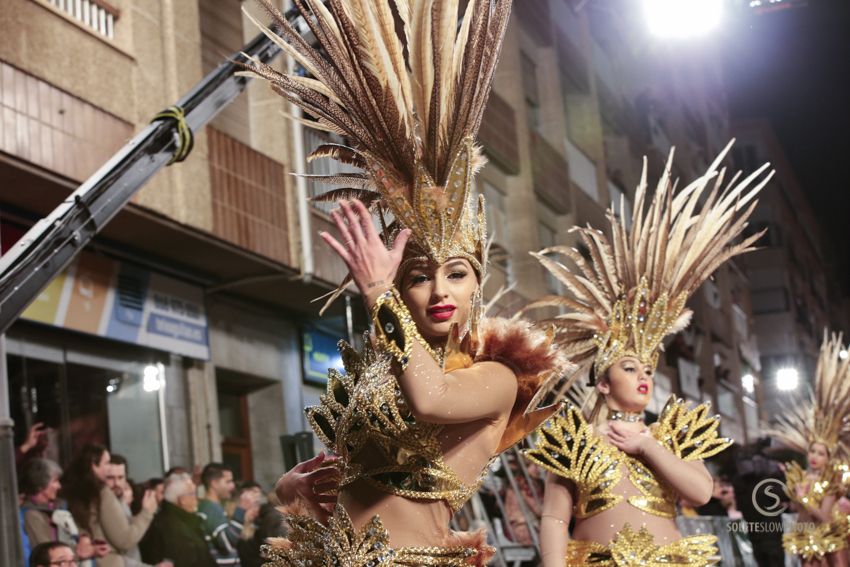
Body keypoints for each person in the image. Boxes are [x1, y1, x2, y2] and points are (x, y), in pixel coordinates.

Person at [243, 1, 569, 563]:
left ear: (475, 286)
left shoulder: (495, 379)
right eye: (420, 277)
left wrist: (379, 294)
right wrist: (288, 490)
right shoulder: (378, 374)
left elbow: (431, 398)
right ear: (406, 285)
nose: (440, 291)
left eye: (457, 275)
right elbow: (341, 478)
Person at [522, 146, 772, 566]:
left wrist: (648, 447)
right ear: (602, 381)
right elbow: (552, 517)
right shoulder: (574, 440)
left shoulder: (670, 433)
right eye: (629, 367)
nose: (644, 376)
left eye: (649, 369)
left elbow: (700, 491)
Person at [765, 332, 850, 567]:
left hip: (827, 541)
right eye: (813, 451)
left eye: (821, 453)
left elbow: (823, 517)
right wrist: (791, 501)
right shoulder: (800, 477)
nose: (814, 457)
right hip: (804, 539)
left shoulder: (832, 480)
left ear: (829, 457)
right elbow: (796, 511)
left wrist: (804, 499)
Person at [60, 444, 159, 567]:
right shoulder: (101, 493)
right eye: (106, 463)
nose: (109, 469)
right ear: (93, 465)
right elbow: (124, 540)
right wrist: (147, 512)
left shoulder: (73, 492)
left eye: (120, 477)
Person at [20, 457, 109, 563]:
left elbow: (77, 529)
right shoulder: (31, 515)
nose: (59, 486)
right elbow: (46, 554)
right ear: (40, 486)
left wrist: (84, 537)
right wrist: (83, 552)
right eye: (55, 481)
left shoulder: (59, 506)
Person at [139, 473, 215, 567]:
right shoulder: (171, 527)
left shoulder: (183, 520)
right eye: (193, 494)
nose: (197, 498)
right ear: (182, 499)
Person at [197, 463, 258, 566]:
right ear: (214, 484)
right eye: (228, 481)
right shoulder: (210, 509)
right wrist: (241, 509)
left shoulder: (213, 507)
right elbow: (226, 544)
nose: (232, 485)